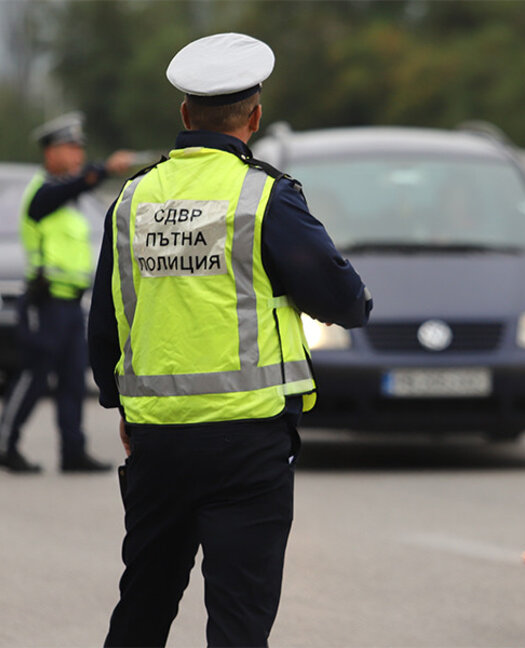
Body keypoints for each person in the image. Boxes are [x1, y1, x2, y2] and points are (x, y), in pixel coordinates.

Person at [88, 33, 371, 647]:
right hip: (248, 443)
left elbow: (106, 321)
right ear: (256, 116)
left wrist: (121, 407)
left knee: (142, 607)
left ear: (184, 114)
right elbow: (343, 299)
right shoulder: (263, 195)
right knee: (239, 622)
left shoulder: (133, 198)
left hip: (157, 444)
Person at [0, 112, 133, 474]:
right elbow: (71, 187)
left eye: (80, 148)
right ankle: (3, 445)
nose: (77, 154)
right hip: (45, 301)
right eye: (70, 148)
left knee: (71, 379)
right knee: (33, 375)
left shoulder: (67, 199)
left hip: (70, 303)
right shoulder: (44, 193)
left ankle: (73, 451)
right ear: (50, 152)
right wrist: (103, 169)